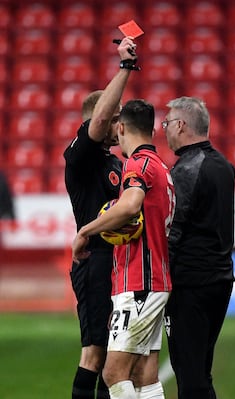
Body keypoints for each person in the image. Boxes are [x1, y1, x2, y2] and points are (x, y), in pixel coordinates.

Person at [72, 96, 176, 398]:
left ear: (120, 128)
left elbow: (130, 206)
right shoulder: (162, 168)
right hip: (156, 279)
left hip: (139, 282)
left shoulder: (137, 164)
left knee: (113, 372)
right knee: (145, 373)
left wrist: (86, 231)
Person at [64, 37, 138, 399]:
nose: (119, 124)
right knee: (94, 355)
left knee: (113, 356)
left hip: (116, 263)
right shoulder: (81, 157)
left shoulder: (114, 162)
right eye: (116, 117)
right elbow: (101, 120)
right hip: (94, 262)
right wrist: (125, 68)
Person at [162, 96, 235, 399]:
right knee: (201, 373)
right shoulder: (224, 166)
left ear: (180, 126)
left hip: (191, 284)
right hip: (221, 280)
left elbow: (173, 232)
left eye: (167, 124)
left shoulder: (185, 170)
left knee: (190, 376)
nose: (164, 130)